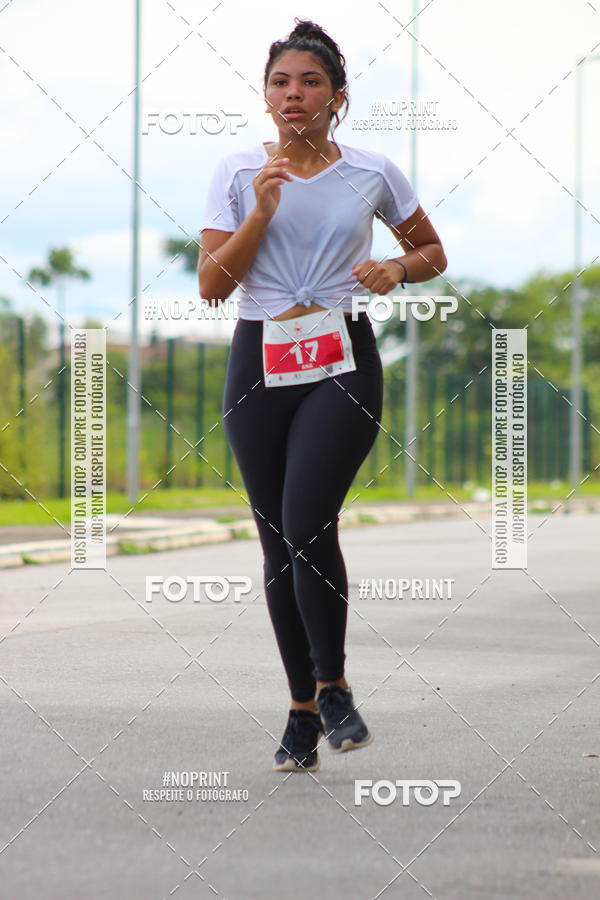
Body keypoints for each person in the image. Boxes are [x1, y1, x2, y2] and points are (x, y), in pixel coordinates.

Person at [198, 18, 447, 772]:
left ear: (337, 96)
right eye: (280, 82)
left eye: (309, 82)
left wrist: (397, 271)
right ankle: (302, 711)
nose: (293, 94)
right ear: (266, 94)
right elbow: (212, 286)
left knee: (308, 519)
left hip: (342, 356)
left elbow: (431, 250)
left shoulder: (371, 170)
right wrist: (263, 212)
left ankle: (333, 684)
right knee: (278, 541)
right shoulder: (239, 171)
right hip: (260, 359)